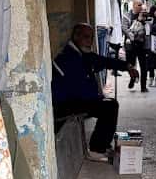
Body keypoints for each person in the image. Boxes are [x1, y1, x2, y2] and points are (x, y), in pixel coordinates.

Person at [52, 23, 138, 162]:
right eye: (86, 37)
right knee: (109, 107)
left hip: (75, 99)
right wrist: (99, 98)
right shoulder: (69, 57)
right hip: (65, 104)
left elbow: (103, 61)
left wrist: (127, 66)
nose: (90, 41)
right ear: (76, 36)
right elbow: (80, 89)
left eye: (91, 37)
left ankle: (101, 145)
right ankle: (97, 149)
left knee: (108, 104)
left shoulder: (81, 54)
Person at [122, 0, 149, 92]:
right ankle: (132, 79)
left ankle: (143, 86)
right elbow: (125, 29)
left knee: (144, 66)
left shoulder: (144, 15)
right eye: (139, 5)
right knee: (131, 65)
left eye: (141, 5)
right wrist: (133, 35)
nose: (141, 7)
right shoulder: (126, 16)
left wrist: (144, 20)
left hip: (142, 45)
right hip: (131, 45)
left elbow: (148, 29)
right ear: (133, 5)